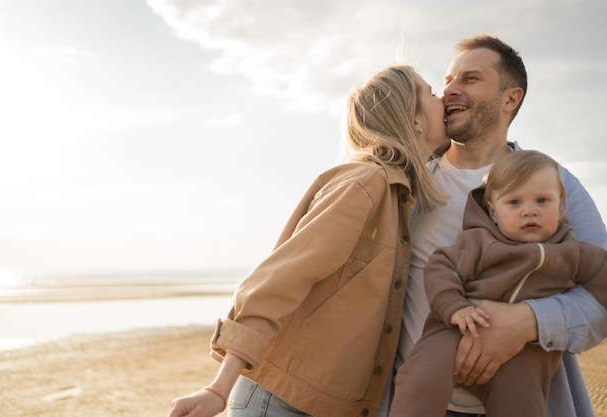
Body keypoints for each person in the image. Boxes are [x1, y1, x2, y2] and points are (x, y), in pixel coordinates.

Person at [166, 65, 449, 417]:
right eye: (431, 92)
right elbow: (278, 281)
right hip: (282, 402)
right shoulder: (366, 183)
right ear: (414, 119)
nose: (443, 99)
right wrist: (217, 389)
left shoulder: (400, 195)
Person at [386, 34, 607, 417]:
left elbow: (600, 294)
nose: (449, 90)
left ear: (510, 99)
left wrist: (528, 322)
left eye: (469, 79)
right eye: (447, 81)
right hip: (419, 400)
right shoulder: (410, 182)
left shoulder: (556, 184)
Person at [391, 150, 607, 417]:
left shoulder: (573, 253)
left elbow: (601, 280)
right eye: (514, 202)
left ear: (561, 206)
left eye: (542, 201)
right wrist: (454, 306)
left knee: (522, 400)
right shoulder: (478, 242)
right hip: (459, 327)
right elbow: (443, 268)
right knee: (421, 376)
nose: (530, 211)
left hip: (526, 351)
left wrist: (535, 320)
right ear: (492, 211)